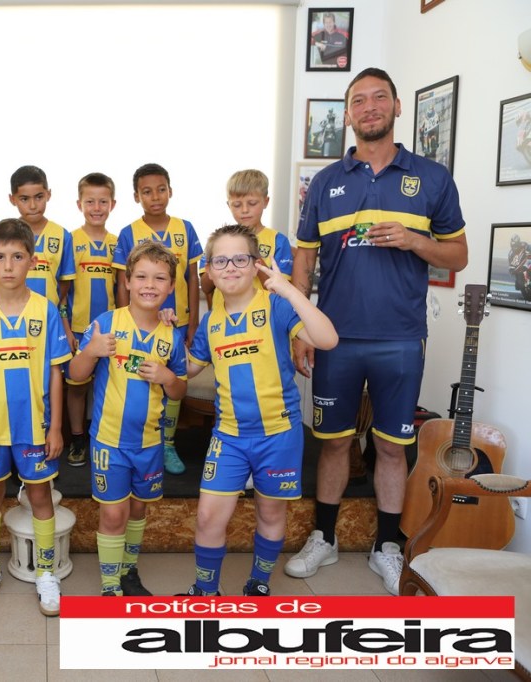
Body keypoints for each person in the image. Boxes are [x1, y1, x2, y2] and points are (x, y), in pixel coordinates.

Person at [286, 67, 468, 595]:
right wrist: (300, 325)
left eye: (379, 97)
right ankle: (324, 537)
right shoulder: (325, 182)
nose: (369, 107)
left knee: (391, 448)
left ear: (397, 106)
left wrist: (414, 241)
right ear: (347, 114)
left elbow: (458, 254)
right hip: (335, 338)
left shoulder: (431, 178)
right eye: (359, 100)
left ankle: (387, 546)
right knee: (334, 443)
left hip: (401, 339)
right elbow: (304, 259)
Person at [183, 225, 337, 597]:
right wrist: (159, 332)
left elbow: (327, 339)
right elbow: (186, 368)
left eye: (240, 259)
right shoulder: (211, 321)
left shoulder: (276, 306)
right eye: (221, 260)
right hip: (229, 437)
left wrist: (288, 289)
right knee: (207, 516)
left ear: (256, 265)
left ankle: (259, 583)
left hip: (278, 435)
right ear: (209, 269)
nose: (230, 267)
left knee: (270, 513)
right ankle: (206, 591)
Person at [0, 219, 72, 616]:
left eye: (17, 257)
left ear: (32, 261)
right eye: (1, 257)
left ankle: (46, 573)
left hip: (35, 428)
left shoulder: (45, 309)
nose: (8, 266)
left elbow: (56, 371)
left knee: (40, 496)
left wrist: (56, 427)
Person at [69, 240, 188, 596]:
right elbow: (75, 375)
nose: (150, 285)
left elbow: (179, 391)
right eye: (141, 277)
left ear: (171, 286)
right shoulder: (106, 324)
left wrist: (168, 378)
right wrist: (91, 352)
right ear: (127, 281)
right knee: (113, 514)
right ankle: (110, 587)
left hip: (149, 443)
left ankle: (127, 571)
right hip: (109, 442)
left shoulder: (171, 336)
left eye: (160, 278)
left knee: (138, 511)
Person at [113, 163, 202, 476]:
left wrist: (193, 323)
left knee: (173, 380)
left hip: (177, 323)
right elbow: (122, 283)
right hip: (141, 324)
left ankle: (168, 443)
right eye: (147, 191)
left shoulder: (185, 228)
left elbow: (192, 278)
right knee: (142, 376)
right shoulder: (129, 233)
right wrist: (124, 321)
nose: (155, 196)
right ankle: (142, 439)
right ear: (136, 196)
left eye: (161, 189)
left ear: (170, 191)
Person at [65, 172, 118, 467]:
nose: (96, 208)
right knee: (77, 386)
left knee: (108, 386)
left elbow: (123, 288)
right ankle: (77, 438)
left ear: (113, 204)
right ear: (79, 204)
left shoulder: (117, 242)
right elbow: (61, 292)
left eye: (103, 202)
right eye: (90, 202)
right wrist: (66, 329)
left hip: (110, 330)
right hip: (77, 329)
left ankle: (104, 438)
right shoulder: (69, 240)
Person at [200, 170, 293, 310]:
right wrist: (219, 261)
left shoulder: (278, 241)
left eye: (252, 203)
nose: (244, 210)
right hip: (224, 317)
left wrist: (253, 255)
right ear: (228, 205)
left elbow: (281, 291)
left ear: (266, 202)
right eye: (237, 205)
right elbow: (206, 287)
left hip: (264, 316)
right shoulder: (219, 240)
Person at [8, 165, 76, 346]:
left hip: (49, 319)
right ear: (12, 199)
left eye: (39, 197)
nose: (32, 205)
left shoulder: (62, 235)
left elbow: (64, 285)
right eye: (24, 199)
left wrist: (64, 323)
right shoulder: (4, 233)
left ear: (48, 194)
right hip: (12, 318)